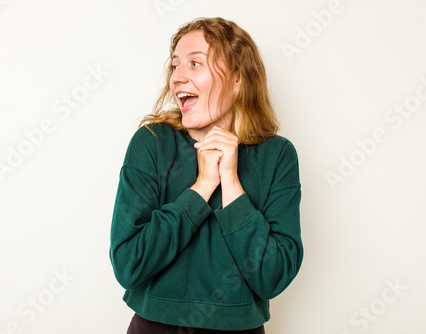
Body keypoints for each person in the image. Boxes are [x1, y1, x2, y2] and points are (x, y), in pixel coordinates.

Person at [110, 17, 303, 333]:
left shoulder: (277, 155)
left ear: (237, 79)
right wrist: (202, 187)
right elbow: (129, 265)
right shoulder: (152, 143)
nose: (178, 78)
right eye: (175, 66)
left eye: (195, 63)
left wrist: (231, 182)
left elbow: (273, 276)